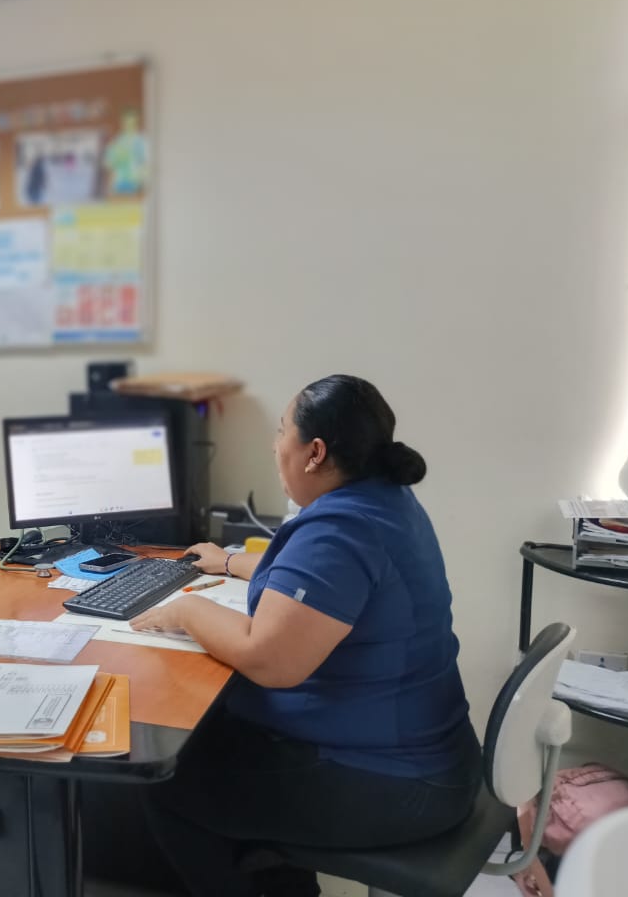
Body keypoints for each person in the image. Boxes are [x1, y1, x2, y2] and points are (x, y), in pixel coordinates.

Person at [133, 375, 481, 897]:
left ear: (314, 452)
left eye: (281, 432)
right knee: (215, 738)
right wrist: (228, 562)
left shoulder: (340, 531)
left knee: (171, 784)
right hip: (426, 756)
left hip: (397, 782)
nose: (275, 446)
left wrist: (186, 609)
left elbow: (270, 661)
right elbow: (316, 587)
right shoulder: (383, 501)